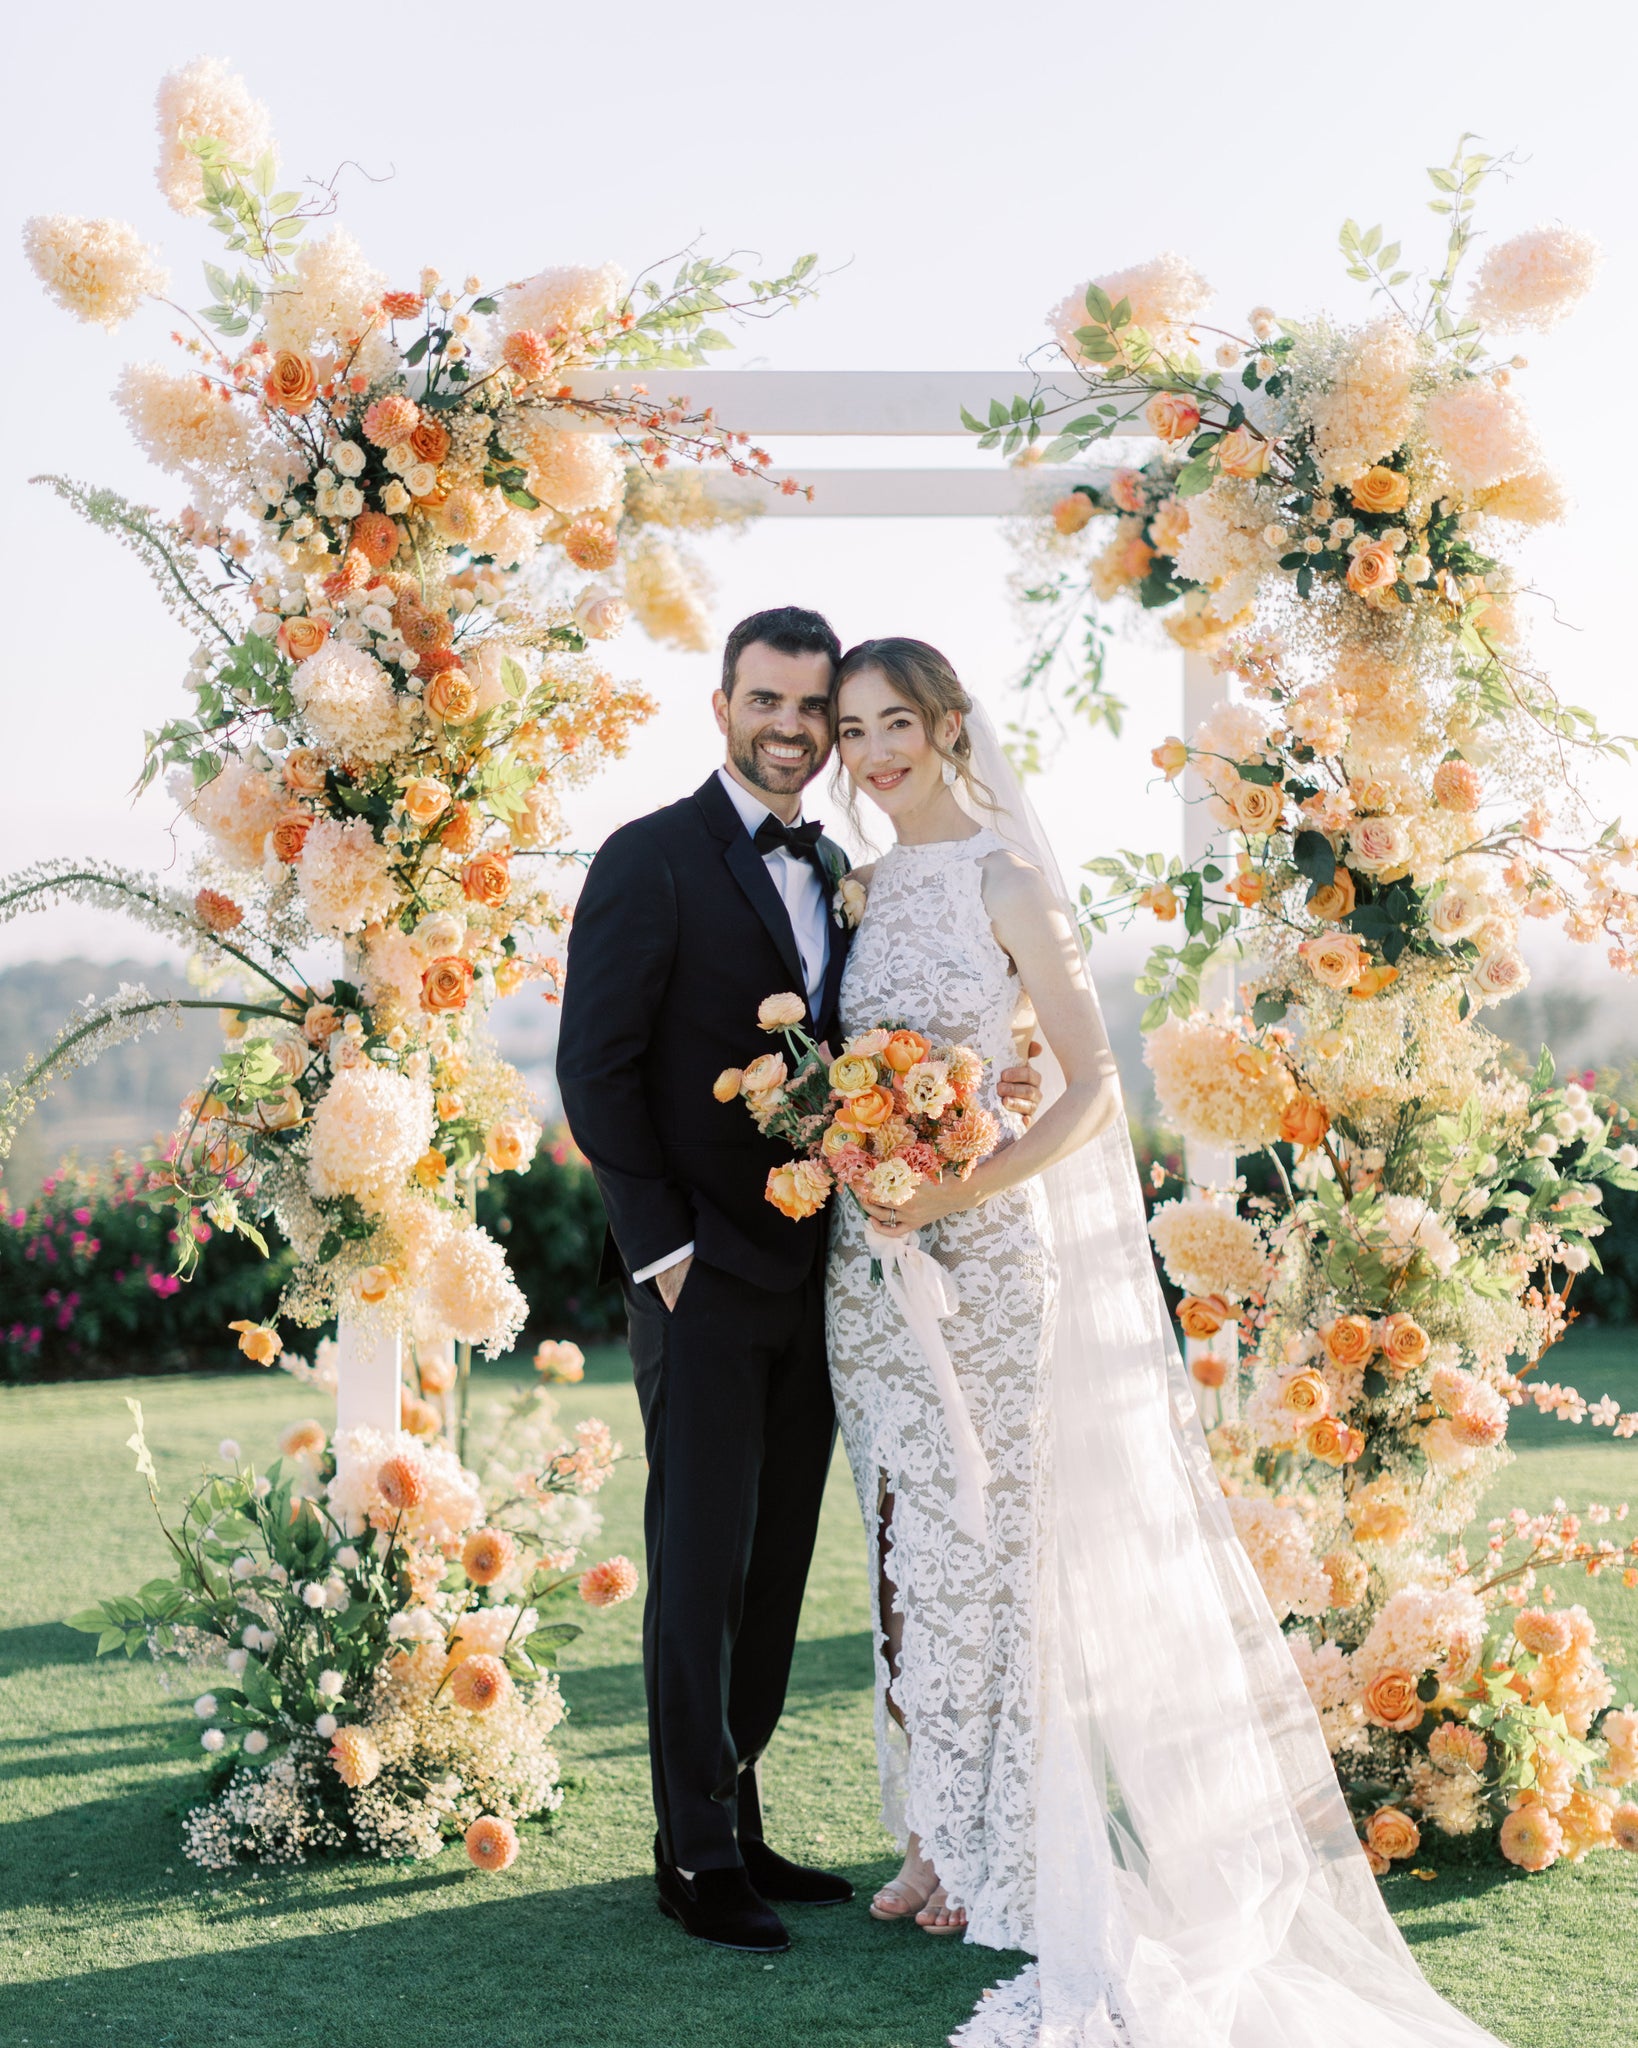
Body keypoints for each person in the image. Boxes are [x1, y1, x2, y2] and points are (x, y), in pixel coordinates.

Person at [823, 637, 1508, 2047]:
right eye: (850, 728)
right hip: (870, 1268)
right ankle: (924, 1837)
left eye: (896, 721)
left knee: (988, 1544)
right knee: (899, 1540)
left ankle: (997, 1848)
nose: (872, 749)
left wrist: (957, 1184)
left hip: (986, 1251)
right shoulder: (860, 885)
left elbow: (1088, 1086)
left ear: (951, 726)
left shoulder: (1009, 878)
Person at [556, 607, 1043, 1956]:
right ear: (721, 705)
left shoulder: (843, 864)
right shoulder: (647, 859)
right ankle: (692, 1856)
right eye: (766, 701)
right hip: (698, 1281)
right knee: (698, 1560)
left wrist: (990, 1085)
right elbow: (595, 1071)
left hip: (823, 1270)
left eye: (811, 709)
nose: (792, 728)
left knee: (773, 1570)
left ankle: (743, 1811)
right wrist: (662, 1258)